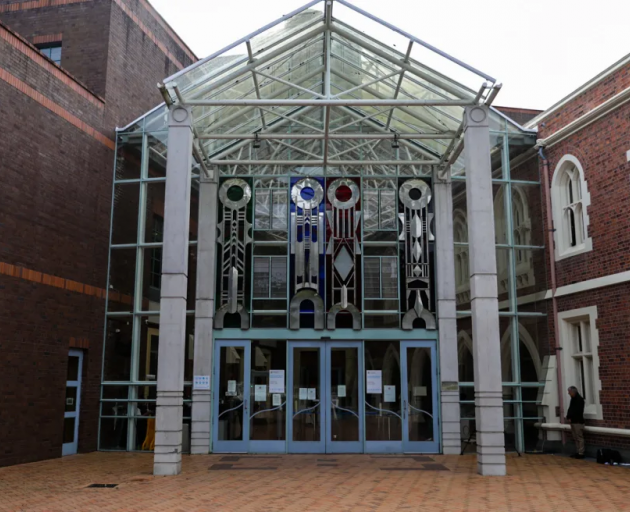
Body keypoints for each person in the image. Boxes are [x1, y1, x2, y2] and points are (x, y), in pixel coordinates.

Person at [566, 386, 585, 459]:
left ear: (573, 392)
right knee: (575, 437)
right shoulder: (573, 399)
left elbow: (577, 411)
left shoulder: (579, 400)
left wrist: (571, 416)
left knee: (579, 437)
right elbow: (571, 409)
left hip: (577, 421)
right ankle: (578, 452)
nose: (568, 393)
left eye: (569, 392)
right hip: (574, 421)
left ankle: (581, 452)